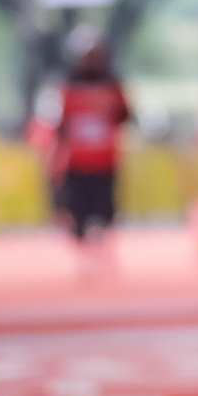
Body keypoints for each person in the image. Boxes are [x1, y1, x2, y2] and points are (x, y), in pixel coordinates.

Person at [49, 31, 130, 248]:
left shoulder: (112, 85)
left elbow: (124, 116)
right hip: (77, 163)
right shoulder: (67, 85)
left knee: (104, 213)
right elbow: (58, 123)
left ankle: (100, 247)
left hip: (105, 162)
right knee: (78, 214)